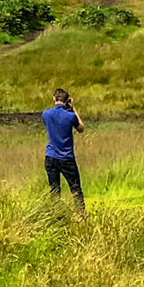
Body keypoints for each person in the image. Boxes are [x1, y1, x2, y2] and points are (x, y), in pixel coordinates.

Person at [41, 87, 86, 217]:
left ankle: (56, 215)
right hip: (66, 157)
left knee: (54, 189)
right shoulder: (70, 116)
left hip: (51, 156)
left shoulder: (46, 114)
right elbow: (81, 128)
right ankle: (81, 215)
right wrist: (73, 109)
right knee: (75, 188)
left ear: (54, 99)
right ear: (67, 101)